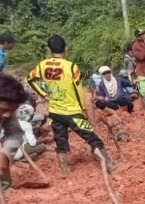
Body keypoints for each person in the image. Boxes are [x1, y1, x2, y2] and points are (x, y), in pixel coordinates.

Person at [27, 34, 116, 177]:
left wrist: (43, 94)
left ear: (50, 50)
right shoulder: (71, 67)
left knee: (60, 140)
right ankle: (110, 163)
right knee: (91, 137)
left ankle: (64, 170)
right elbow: (78, 90)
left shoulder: (43, 65)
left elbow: (30, 79)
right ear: (65, 48)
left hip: (55, 111)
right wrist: (83, 108)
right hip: (73, 111)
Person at [0, 74, 28, 191]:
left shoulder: (7, 113)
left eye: (12, 110)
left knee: (4, 180)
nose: (8, 115)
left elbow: (15, 133)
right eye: (4, 110)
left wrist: (5, 154)